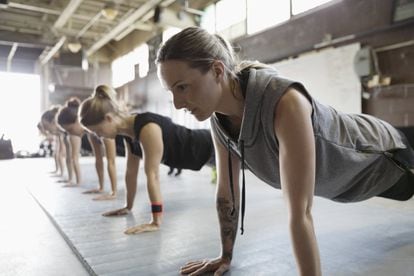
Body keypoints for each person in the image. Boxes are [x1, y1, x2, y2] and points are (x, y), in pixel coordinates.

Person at [155, 26, 414, 276]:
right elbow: (227, 193)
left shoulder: (285, 104)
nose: (177, 104)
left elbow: (299, 212)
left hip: (386, 157)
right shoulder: (219, 119)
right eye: (171, 92)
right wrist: (226, 255)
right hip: (350, 186)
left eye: (182, 87)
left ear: (217, 70)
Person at [79, 84, 215, 234]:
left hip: (210, 146)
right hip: (202, 156)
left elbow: (153, 175)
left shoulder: (147, 128)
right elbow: (131, 172)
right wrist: (128, 207)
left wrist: (155, 221)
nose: (99, 136)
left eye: (97, 131)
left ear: (109, 118)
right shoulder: (129, 134)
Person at [57, 97, 125, 199]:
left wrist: (113, 193)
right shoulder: (91, 133)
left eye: (70, 129)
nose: (71, 134)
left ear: (77, 120)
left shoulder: (103, 128)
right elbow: (98, 159)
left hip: (128, 144)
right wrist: (101, 188)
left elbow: (111, 161)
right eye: (67, 132)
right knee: (98, 158)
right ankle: (102, 186)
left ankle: (114, 191)